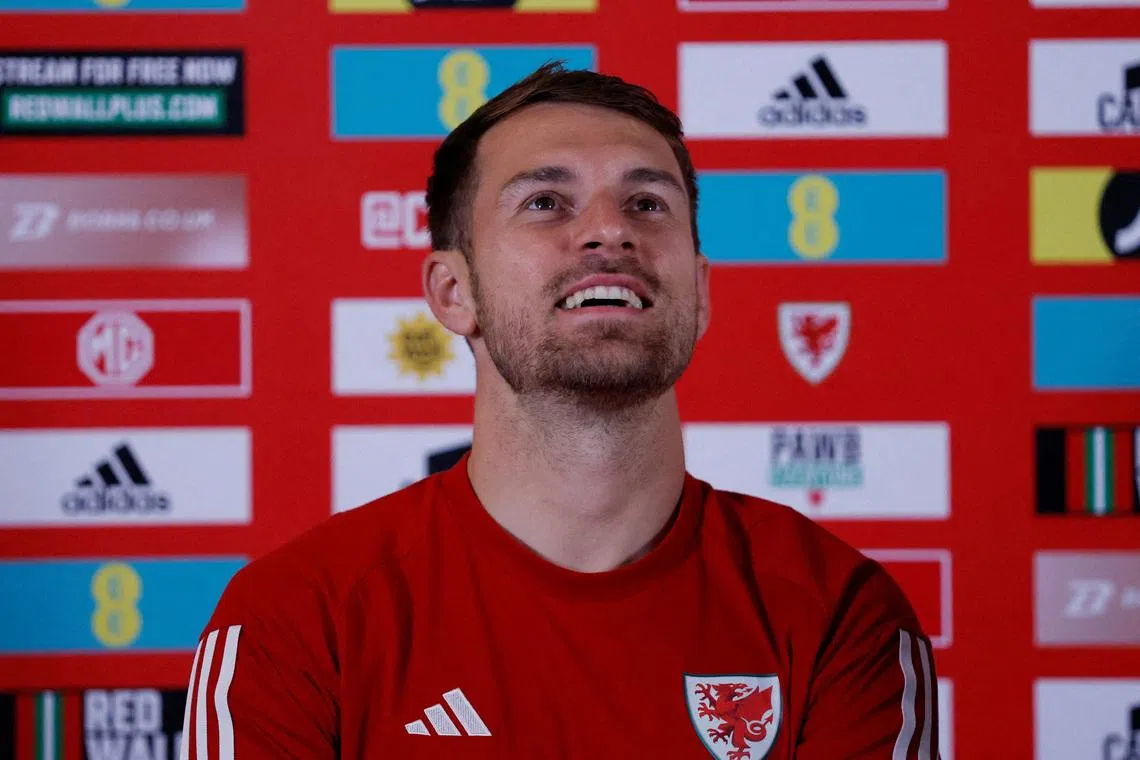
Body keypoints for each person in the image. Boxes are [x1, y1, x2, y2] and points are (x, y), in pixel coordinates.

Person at [177, 61, 940, 759]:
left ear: (701, 292)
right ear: (453, 292)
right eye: (546, 202)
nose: (610, 229)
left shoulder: (836, 614)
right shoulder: (297, 620)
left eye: (647, 202)